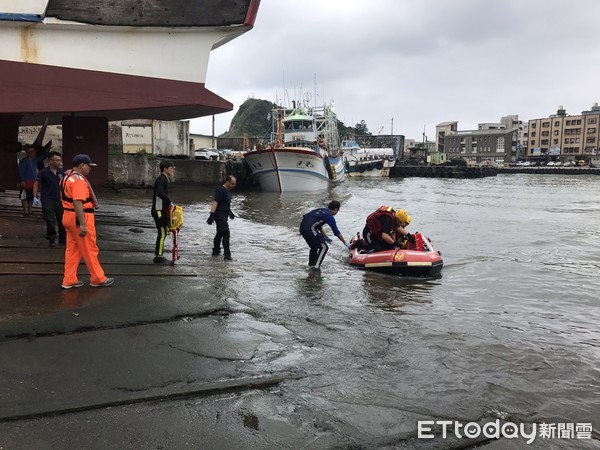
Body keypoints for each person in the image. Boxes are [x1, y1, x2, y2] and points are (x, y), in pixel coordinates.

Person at [59, 154, 113, 289]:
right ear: (82, 165)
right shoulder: (79, 181)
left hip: (68, 216)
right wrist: (83, 224)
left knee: (73, 250)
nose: (90, 169)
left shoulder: (66, 177)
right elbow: (78, 202)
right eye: (89, 166)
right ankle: (98, 278)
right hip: (80, 218)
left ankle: (69, 279)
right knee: (90, 249)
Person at [299, 200, 349, 270]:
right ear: (335, 209)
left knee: (314, 247)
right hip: (310, 230)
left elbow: (319, 227)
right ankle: (315, 267)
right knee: (324, 247)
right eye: (338, 210)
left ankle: (311, 265)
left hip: (302, 229)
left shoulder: (323, 210)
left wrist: (326, 237)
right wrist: (345, 243)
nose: (338, 211)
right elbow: (336, 232)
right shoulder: (329, 216)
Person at [33, 150, 66, 247]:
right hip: (47, 199)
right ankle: (51, 239)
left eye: (60, 160)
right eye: (56, 160)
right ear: (51, 161)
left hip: (59, 199)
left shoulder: (62, 172)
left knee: (62, 220)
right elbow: (36, 184)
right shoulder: (43, 172)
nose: (59, 162)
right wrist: (35, 196)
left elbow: (66, 185)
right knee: (50, 220)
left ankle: (62, 239)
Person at [206, 175, 236, 260]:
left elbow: (225, 204)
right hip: (219, 215)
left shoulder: (228, 191)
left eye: (234, 184)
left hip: (224, 215)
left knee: (220, 233)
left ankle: (216, 251)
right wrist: (211, 215)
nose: (233, 186)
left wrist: (230, 212)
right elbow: (215, 202)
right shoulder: (220, 190)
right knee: (226, 232)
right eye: (232, 184)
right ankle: (227, 255)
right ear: (227, 182)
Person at [151, 160, 175, 264]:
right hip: (158, 210)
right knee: (162, 233)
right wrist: (170, 202)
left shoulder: (164, 179)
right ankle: (158, 257)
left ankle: (159, 255)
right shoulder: (161, 179)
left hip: (161, 210)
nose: (172, 170)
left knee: (163, 233)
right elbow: (160, 193)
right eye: (171, 168)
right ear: (165, 169)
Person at [18, 144, 47, 216]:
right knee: (24, 196)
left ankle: (30, 210)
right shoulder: (23, 161)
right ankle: (25, 211)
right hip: (25, 181)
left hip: (33, 181)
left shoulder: (34, 160)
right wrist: (22, 180)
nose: (34, 154)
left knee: (31, 197)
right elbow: (21, 171)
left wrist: (46, 151)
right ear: (28, 153)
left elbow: (42, 157)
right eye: (33, 152)